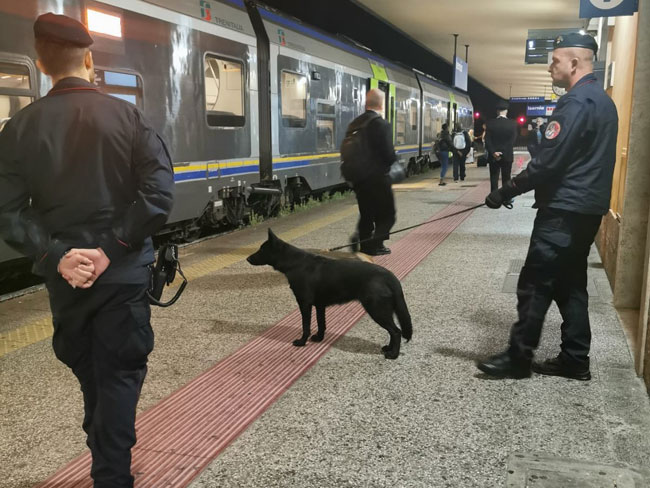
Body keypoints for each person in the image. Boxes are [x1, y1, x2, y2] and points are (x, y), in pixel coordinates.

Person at [0, 13, 175, 487]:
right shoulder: (129, 117)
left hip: (67, 282)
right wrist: (109, 249)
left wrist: (57, 256)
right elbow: (157, 196)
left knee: (91, 375)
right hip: (120, 276)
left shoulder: (18, 128)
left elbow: (8, 212)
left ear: (41, 63)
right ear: (90, 60)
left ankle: (105, 455)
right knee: (118, 377)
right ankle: (111, 472)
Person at [476, 33, 618, 381]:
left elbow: (550, 163)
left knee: (535, 283)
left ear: (574, 63)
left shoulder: (575, 103)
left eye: (554, 60)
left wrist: (506, 190)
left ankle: (518, 359)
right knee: (570, 283)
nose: (550, 66)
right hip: (586, 210)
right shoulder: (602, 101)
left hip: (563, 211)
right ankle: (574, 358)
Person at [346, 88, 396, 256]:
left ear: (366, 103)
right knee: (388, 215)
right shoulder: (381, 124)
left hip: (358, 179)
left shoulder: (355, 123)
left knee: (366, 213)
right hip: (377, 178)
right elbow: (389, 155)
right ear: (381, 104)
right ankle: (375, 244)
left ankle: (363, 241)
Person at [485, 100, 517, 195]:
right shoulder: (513, 123)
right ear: (506, 111)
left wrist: (494, 152)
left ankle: (494, 198)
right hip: (507, 155)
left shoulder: (490, 123)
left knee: (494, 177)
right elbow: (512, 141)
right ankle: (506, 198)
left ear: (497, 111)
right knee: (507, 178)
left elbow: (487, 140)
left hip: (494, 156)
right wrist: (503, 151)